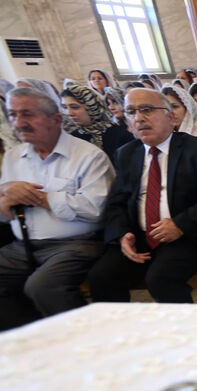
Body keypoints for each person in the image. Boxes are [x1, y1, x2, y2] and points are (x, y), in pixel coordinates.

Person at [87, 88, 197, 304]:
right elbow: (116, 202)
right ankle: (122, 335)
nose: (139, 118)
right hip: (141, 236)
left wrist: (180, 224)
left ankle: (183, 335)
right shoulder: (127, 153)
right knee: (102, 276)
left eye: (146, 109)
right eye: (131, 111)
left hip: (190, 234)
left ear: (171, 116)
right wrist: (122, 233)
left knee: (161, 278)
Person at [0, 87, 115, 328]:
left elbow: (97, 210)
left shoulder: (88, 156)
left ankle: (87, 340)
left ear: (56, 119)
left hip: (76, 244)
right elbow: (5, 209)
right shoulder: (13, 157)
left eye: (27, 114)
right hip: (22, 246)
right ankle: (32, 338)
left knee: (42, 286)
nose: (18, 123)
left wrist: (39, 197)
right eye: (12, 115)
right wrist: (5, 201)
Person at [60, 84, 134, 168]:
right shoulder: (72, 138)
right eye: (65, 107)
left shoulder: (119, 134)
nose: (69, 113)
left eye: (75, 107)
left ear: (91, 106)